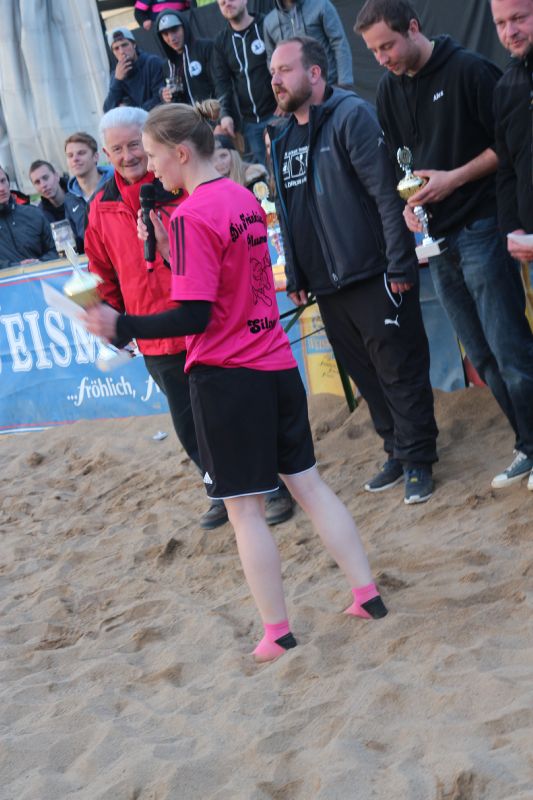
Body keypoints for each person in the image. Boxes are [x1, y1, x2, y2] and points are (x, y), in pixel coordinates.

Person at [83, 100, 388, 662]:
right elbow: (226, 283)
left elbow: (195, 315)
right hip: (274, 362)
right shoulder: (241, 197)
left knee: (244, 510)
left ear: (180, 153)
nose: (150, 168)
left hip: (227, 375)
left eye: (152, 156)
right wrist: (168, 249)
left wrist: (121, 324)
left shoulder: (192, 214)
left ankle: (277, 632)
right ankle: (366, 595)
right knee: (309, 485)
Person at [356, 0, 533, 492]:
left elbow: (506, 149)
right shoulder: (388, 90)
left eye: (387, 46)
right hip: (437, 239)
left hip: (483, 225)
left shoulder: (471, 70)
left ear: (414, 28)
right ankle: (527, 444)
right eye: (373, 52)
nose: (382, 59)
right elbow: (402, 166)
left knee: (509, 348)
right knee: (482, 355)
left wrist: (454, 178)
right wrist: (408, 206)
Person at [269, 37, 438, 504]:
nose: (276, 80)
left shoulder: (351, 115)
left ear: (315, 73)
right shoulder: (280, 136)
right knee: (365, 375)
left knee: (399, 368)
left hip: (373, 270)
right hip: (326, 283)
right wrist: (297, 273)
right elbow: (287, 209)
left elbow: (386, 194)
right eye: (272, 72)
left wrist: (399, 261)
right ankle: (397, 450)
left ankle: (419, 459)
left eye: (285, 70)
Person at [212, 0, 277, 164]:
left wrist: (285, 104)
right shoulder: (221, 41)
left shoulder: (267, 25)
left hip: (278, 114)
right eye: (222, 3)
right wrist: (225, 115)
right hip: (250, 123)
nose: (227, 4)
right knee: (266, 171)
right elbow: (222, 83)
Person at [263, 0, 354, 88]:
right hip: (295, 92)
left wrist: (344, 83)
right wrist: (284, 85)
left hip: (328, 85)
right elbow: (271, 59)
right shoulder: (269, 22)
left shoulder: (321, 5)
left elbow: (339, 43)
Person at [64, 132, 115, 253]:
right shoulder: (70, 199)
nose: (75, 159)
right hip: (95, 261)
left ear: (96, 157)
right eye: (70, 155)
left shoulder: (116, 184)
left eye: (81, 153)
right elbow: (76, 241)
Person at [154, 11, 216, 107]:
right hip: (187, 116)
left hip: (215, 112)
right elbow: (163, 94)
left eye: (174, 30)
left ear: (184, 27)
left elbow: (222, 84)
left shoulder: (206, 48)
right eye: (165, 34)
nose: (171, 38)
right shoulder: (167, 66)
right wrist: (164, 95)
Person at [0, 166, 57, 268]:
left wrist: (40, 262)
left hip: (43, 275)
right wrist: (16, 266)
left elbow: (56, 249)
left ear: (8, 182)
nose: (1, 188)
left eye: (3, 181)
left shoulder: (34, 214)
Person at [103, 27, 164, 113]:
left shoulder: (152, 62)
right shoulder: (116, 74)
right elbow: (108, 110)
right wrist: (117, 81)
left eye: (124, 45)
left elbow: (160, 97)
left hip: (157, 116)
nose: (121, 51)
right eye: (116, 48)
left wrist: (132, 111)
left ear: (134, 44)